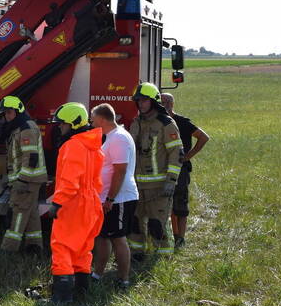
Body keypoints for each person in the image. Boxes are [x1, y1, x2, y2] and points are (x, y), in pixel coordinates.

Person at [46, 103, 104, 303]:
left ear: (73, 124)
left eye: (62, 125)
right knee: (82, 249)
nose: (60, 128)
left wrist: (57, 204)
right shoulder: (94, 147)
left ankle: (62, 298)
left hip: (73, 204)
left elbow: (70, 183)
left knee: (62, 246)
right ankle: (81, 292)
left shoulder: (71, 146)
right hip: (91, 204)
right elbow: (97, 182)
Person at [128, 82, 183, 256]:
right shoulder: (136, 122)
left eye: (144, 100)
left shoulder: (166, 124)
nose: (141, 104)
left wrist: (171, 181)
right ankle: (137, 255)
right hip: (136, 186)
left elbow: (177, 154)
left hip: (159, 187)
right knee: (135, 224)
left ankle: (163, 257)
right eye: (138, 101)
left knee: (157, 224)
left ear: (154, 101)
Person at [90, 103, 138, 288]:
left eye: (93, 119)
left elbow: (120, 170)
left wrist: (110, 198)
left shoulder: (118, 138)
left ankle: (123, 279)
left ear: (102, 119)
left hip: (119, 198)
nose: (92, 123)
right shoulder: (110, 137)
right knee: (102, 237)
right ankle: (97, 274)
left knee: (118, 238)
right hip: (107, 198)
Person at [0, 95, 47, 253]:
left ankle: (8, 249)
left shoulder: (26, 128)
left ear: (18, 111)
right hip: (26, 179)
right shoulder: (18, 127)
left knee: (18, 213)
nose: (7, 116)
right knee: (31, 213)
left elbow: (30, 157)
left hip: (27, 180)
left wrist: (22, 180)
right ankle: (34, 248)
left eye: (9, 112)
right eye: (5, 113)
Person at [160, 92, 210, 248]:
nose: (164, 105)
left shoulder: (183, 122)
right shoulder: (158, 123)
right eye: (162, 102)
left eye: (167, 102)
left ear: (172, 104)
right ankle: (173, 236)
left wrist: (188, 156)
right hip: (163, 168)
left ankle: (180, 239)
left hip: (181, 170)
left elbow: (204, 137)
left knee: (180, 204)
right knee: (168, 204)